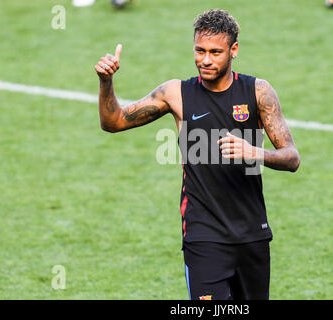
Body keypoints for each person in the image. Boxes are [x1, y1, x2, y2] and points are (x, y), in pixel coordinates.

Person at [95, 9, 300, 300]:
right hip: (204, 238)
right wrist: (106, 82)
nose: (205, 59)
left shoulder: (258, 91)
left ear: (234, 50)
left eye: (215, 52)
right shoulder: (175, 94)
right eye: (199, 50)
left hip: (252, 235)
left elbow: (292, 157)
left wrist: (255, 152)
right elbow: (113, 122)